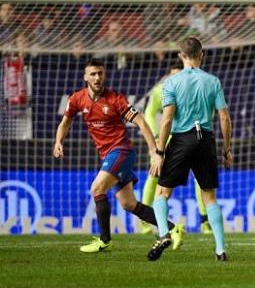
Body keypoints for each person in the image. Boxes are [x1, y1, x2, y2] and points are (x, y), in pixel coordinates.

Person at [52, 58, 183, 253]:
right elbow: (65, 122)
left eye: (100, 73)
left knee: (97, 188)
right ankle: (173, 228)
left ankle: (105, 240)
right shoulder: (77, 99)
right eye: (93, 74)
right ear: (85, 77)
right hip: (108, 155)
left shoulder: (115, 99)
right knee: (129, 204)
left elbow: (141, 122)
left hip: (121, 151)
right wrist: (58, 141)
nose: (97, 78)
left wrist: (154, 152)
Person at [148, 37, 232, 262]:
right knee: (210, 197)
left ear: (180, 55)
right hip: (206, 139)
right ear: (201, 54)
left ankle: (164, 233)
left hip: (181, 139)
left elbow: (166, 120)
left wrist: (159, 152)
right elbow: (224, 116)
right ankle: (220, 250)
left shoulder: (171, 83)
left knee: (162, 192)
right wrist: (227, 149)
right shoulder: (213, 81)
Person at [140, 63, 213, 234]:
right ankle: (144, 218)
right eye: (172, 75)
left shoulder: (192, 92)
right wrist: (157, 136)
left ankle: (205, 221)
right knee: (155, 175)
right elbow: (149, 113)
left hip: (187, 139)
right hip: (165, 139)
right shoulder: (160, 90)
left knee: (200, 178)